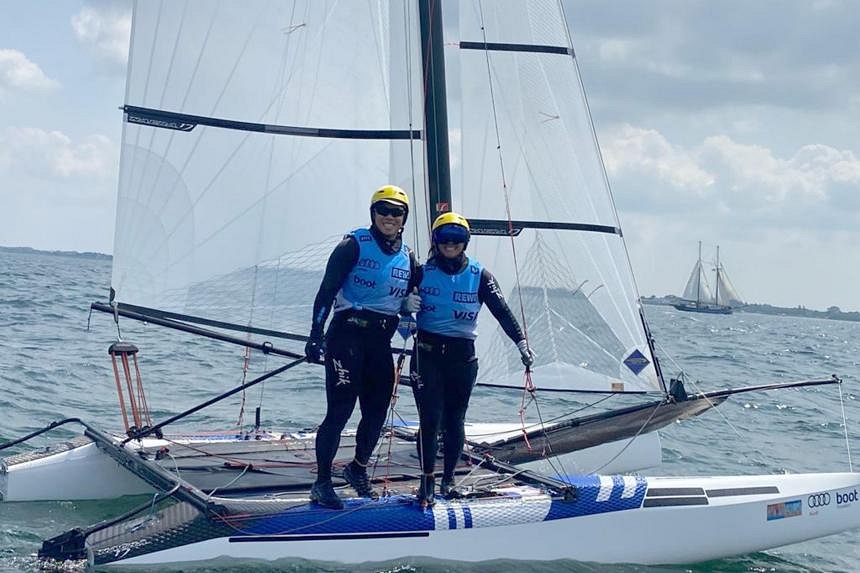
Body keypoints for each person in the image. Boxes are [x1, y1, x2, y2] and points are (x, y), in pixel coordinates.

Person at [304, 185, 421, 509]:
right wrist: (315, 335)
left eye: (396, 211)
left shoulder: (408, 256)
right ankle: (323, 483)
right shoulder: (352, 245)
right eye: (383, 210)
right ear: (373, 213)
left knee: (376, 413)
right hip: (347, 337)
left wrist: (408, 309)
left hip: (379, 342)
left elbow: (414, 302)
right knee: (340, 410)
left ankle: (357, 469)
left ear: (404, 218)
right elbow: (326, 291)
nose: (389, 216)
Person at [411, 212, 535, 507]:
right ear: (435, 241)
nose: (450, 244)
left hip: (462, 357)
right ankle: (427, 481)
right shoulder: (420, 272)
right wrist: (405, 307)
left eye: (456, 238)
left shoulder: (480, 276)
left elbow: (502, 312)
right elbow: (394, 305)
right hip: (427, 353)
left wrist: (521, 344)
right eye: (444, 238)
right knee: (431, 419)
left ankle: (448, 480)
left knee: (455, 420)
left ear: (465, 242)